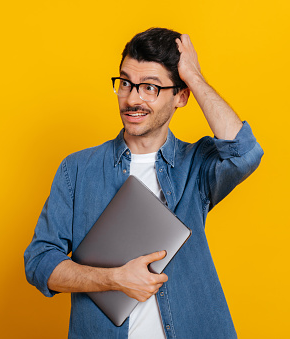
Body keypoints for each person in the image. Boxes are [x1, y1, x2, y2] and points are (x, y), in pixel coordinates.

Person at [24, 27, 263, 339]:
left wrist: (194, 76)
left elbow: (244, 153)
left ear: (181, 96)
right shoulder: (77, 170)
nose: (132, 98)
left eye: (150, 87)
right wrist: (114, 279)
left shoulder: (198, 164)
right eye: (125, 83)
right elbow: (40, 262)